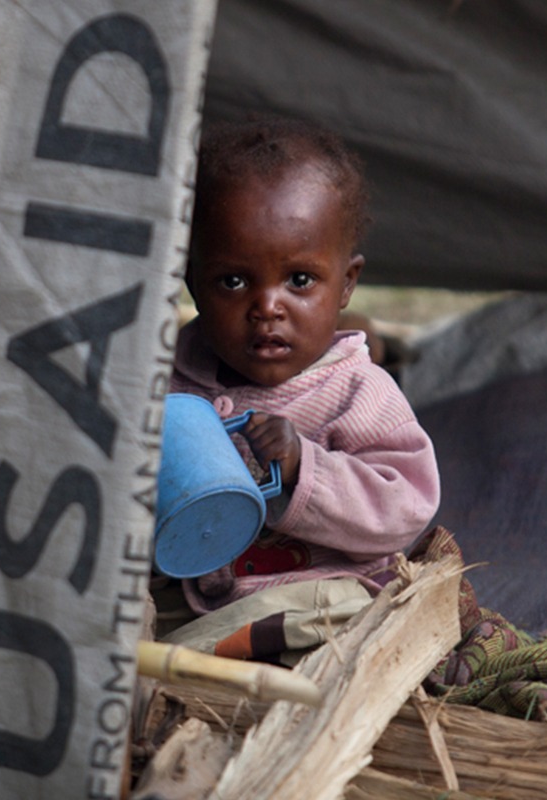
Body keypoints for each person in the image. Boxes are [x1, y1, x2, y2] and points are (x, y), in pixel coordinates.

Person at [171, 118, 439, 614]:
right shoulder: (168, 384)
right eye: (232, 282)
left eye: (299, 280)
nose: (267, 307)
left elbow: (405, 509)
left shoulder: (359, 393)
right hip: (187, 605)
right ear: (193, 283)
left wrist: (303, 468)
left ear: (346, 284)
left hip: (321, 598)